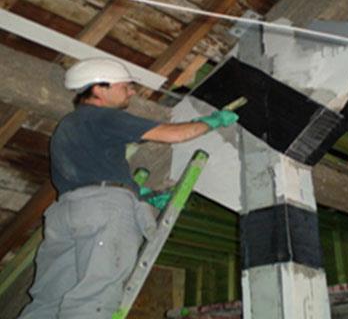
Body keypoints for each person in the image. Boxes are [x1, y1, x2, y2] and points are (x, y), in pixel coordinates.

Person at [18, 58, 238, 319]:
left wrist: (140, 193)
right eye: (125, 86)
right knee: (94, 299)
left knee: (48, 301)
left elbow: (89, 173)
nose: (131, 92)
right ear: (99, 89)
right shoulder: (104, 116)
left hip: (65, 214)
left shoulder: (68, 125)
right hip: (104, 211)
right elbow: (174, 134)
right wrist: (213, 121)